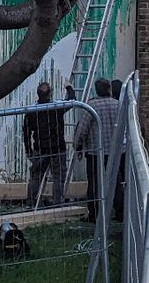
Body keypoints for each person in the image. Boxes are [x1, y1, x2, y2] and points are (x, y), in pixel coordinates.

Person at [74, 78, 120, 222]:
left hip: (95, 151)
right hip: (115, 151)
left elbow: (82, 129)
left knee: (94, 183)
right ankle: (119, 212)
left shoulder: (91, 106)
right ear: (109, 89)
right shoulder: (118, 104)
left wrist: (78, 146)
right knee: (116, 181)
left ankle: (95, 213)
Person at [23, 82, 68, 207]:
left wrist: (28, 150)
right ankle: (58, 203)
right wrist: (69, 87)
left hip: (40, 148)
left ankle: (31, 203)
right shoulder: (57, 108)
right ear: (50, 93)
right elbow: (72, 100)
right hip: (57, 147)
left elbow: (26, 131)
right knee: (58, 176)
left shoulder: (32, 111)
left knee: (36, 176)